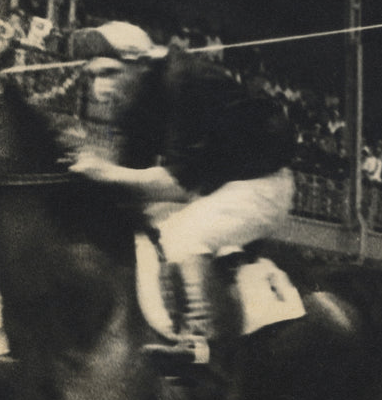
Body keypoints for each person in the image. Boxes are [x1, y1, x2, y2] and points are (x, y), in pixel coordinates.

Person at [67, 22, 295, 366]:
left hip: (261, 183)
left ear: (142, 65)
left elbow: (174, 184)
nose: (100, 90)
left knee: (181, 235)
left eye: (110, 74)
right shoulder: (137, 99)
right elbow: (130, 189)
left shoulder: (184, 82)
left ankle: (201, 346)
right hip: (213, 185)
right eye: (93, 76)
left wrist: (103, 172)